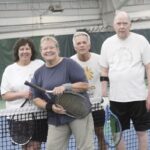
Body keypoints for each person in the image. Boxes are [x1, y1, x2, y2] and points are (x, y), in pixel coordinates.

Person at [31, 35, 95, 150]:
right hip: (56, 118)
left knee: (85, 148)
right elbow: (36, 98)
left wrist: (66, 87)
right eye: (45, 48)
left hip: (79, 113)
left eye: (51, 47)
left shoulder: (69, 64)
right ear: (41, 51)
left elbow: (85, 85)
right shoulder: (38, 73)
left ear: (57, 49)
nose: (48, 50)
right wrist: (50, 107)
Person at [100, 10, 150, 150]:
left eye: (125, 23)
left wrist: (149, 94)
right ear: (114, 25)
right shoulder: (107, 44)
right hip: (115, 100)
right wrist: (104, 95)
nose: (122, 26)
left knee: (142, 133)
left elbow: (149, 68)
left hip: (139, 97)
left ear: (130, 25)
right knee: (117, 134)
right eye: (119, 23)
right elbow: (104, 70)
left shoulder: (141, 41)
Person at [1, 38, 47, 150]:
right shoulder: (10, 70)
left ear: (32, 51)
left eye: (27, 48)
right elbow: (4, 95)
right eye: (22, 49)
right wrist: (22, 94)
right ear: (17, 52)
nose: (25, 51)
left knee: (35, 147)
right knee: (25, 146)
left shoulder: (40, 64)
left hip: (38, 114)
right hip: (18, 116)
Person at [71, 31, 107, 150]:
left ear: (89, 45)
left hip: (97, 106)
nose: (82, 45)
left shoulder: (99, 59)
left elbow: (106, 76)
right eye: (79, 43)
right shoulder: (70, 62)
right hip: (79, 107)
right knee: (83, 139)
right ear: (75, 47)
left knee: (101, 135)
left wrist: (104, 94)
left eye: (84, 42)